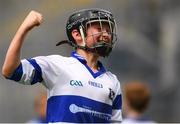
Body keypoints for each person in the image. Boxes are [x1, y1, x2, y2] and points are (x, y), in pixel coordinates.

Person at [2, 8, 122, 123]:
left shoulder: (113, 81)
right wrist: (24, 28)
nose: (106, 34)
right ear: (77, 34)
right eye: (99, 28)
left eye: (108, 30)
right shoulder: (58, 65)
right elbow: (10, 70)